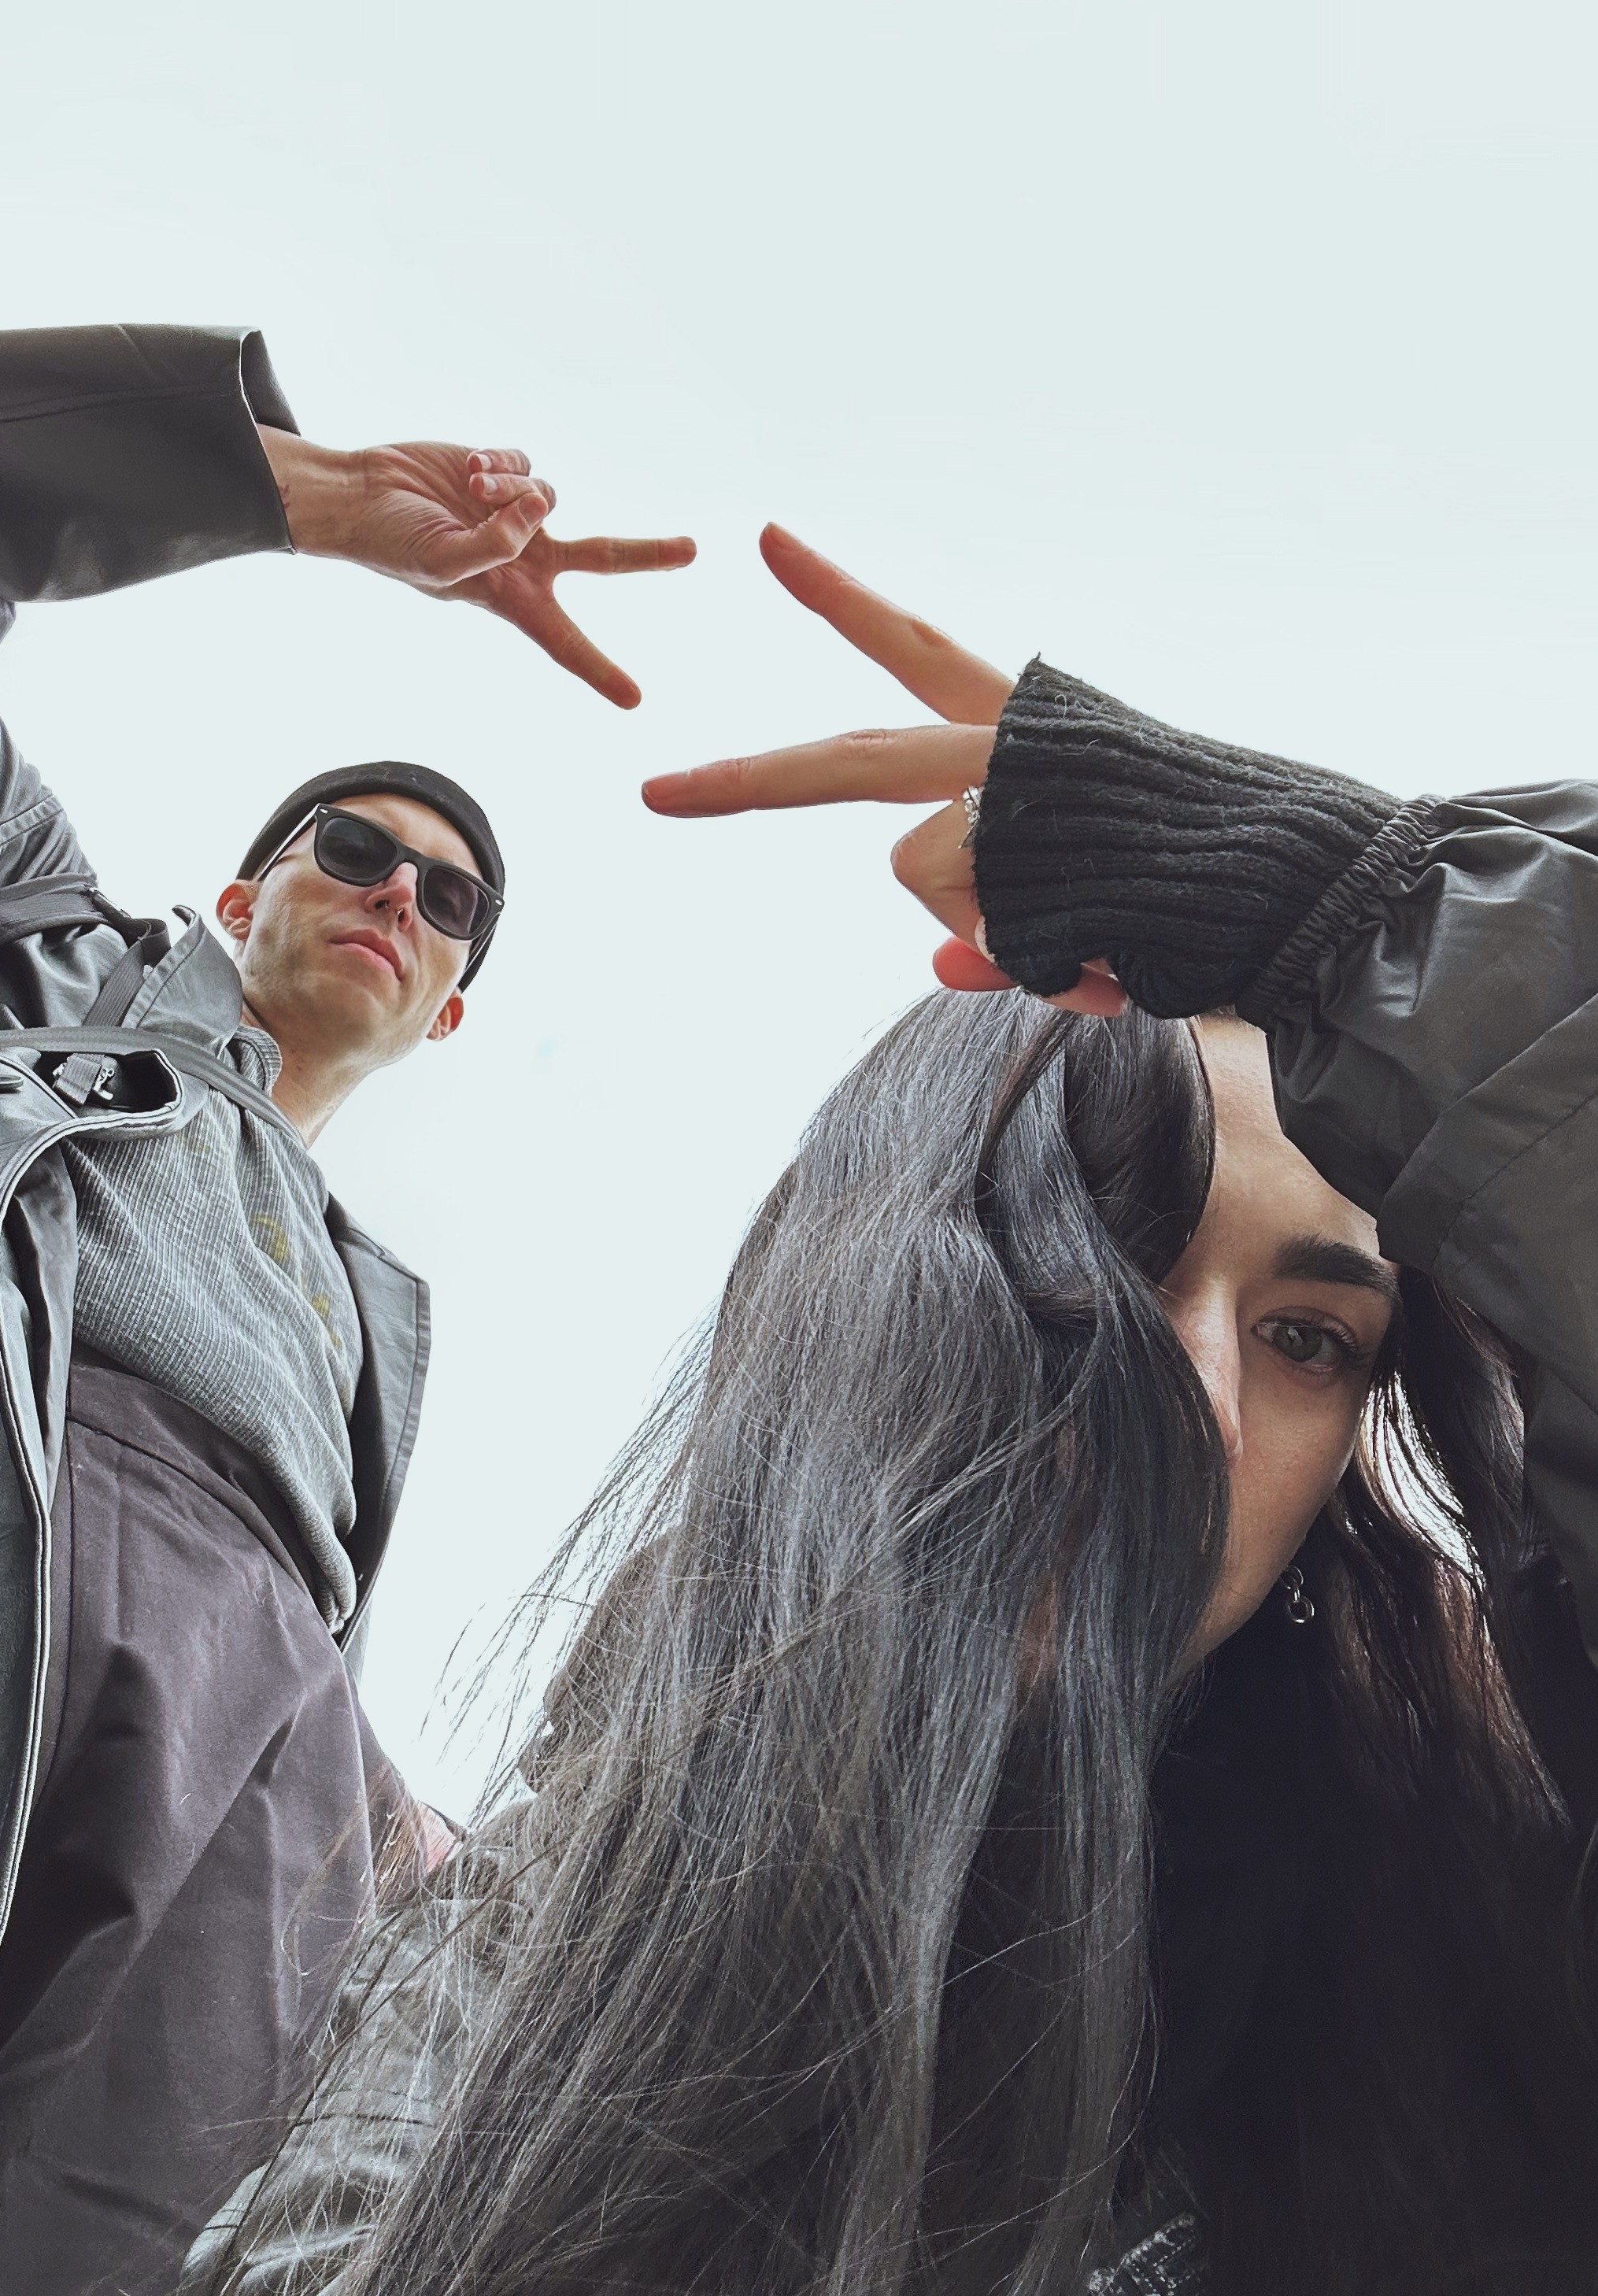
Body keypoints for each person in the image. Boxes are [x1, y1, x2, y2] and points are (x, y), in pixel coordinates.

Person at [191, 527, 1598, 2296]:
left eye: (1312, 1337)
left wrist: (1378, 918)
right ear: (872, 1303)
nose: (1203, 1409)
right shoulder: (549, 1934)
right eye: (1100, 1247)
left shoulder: (1488, 1913)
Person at [0, 322, 692, 2296]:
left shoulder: (375, 1316)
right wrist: (297, 497)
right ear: (247, 887)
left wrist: (389, 1824)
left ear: (451, 1004)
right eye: (354, 850)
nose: (399, 890)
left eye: (448, 900)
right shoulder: (1, 932)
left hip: (247, 1767)